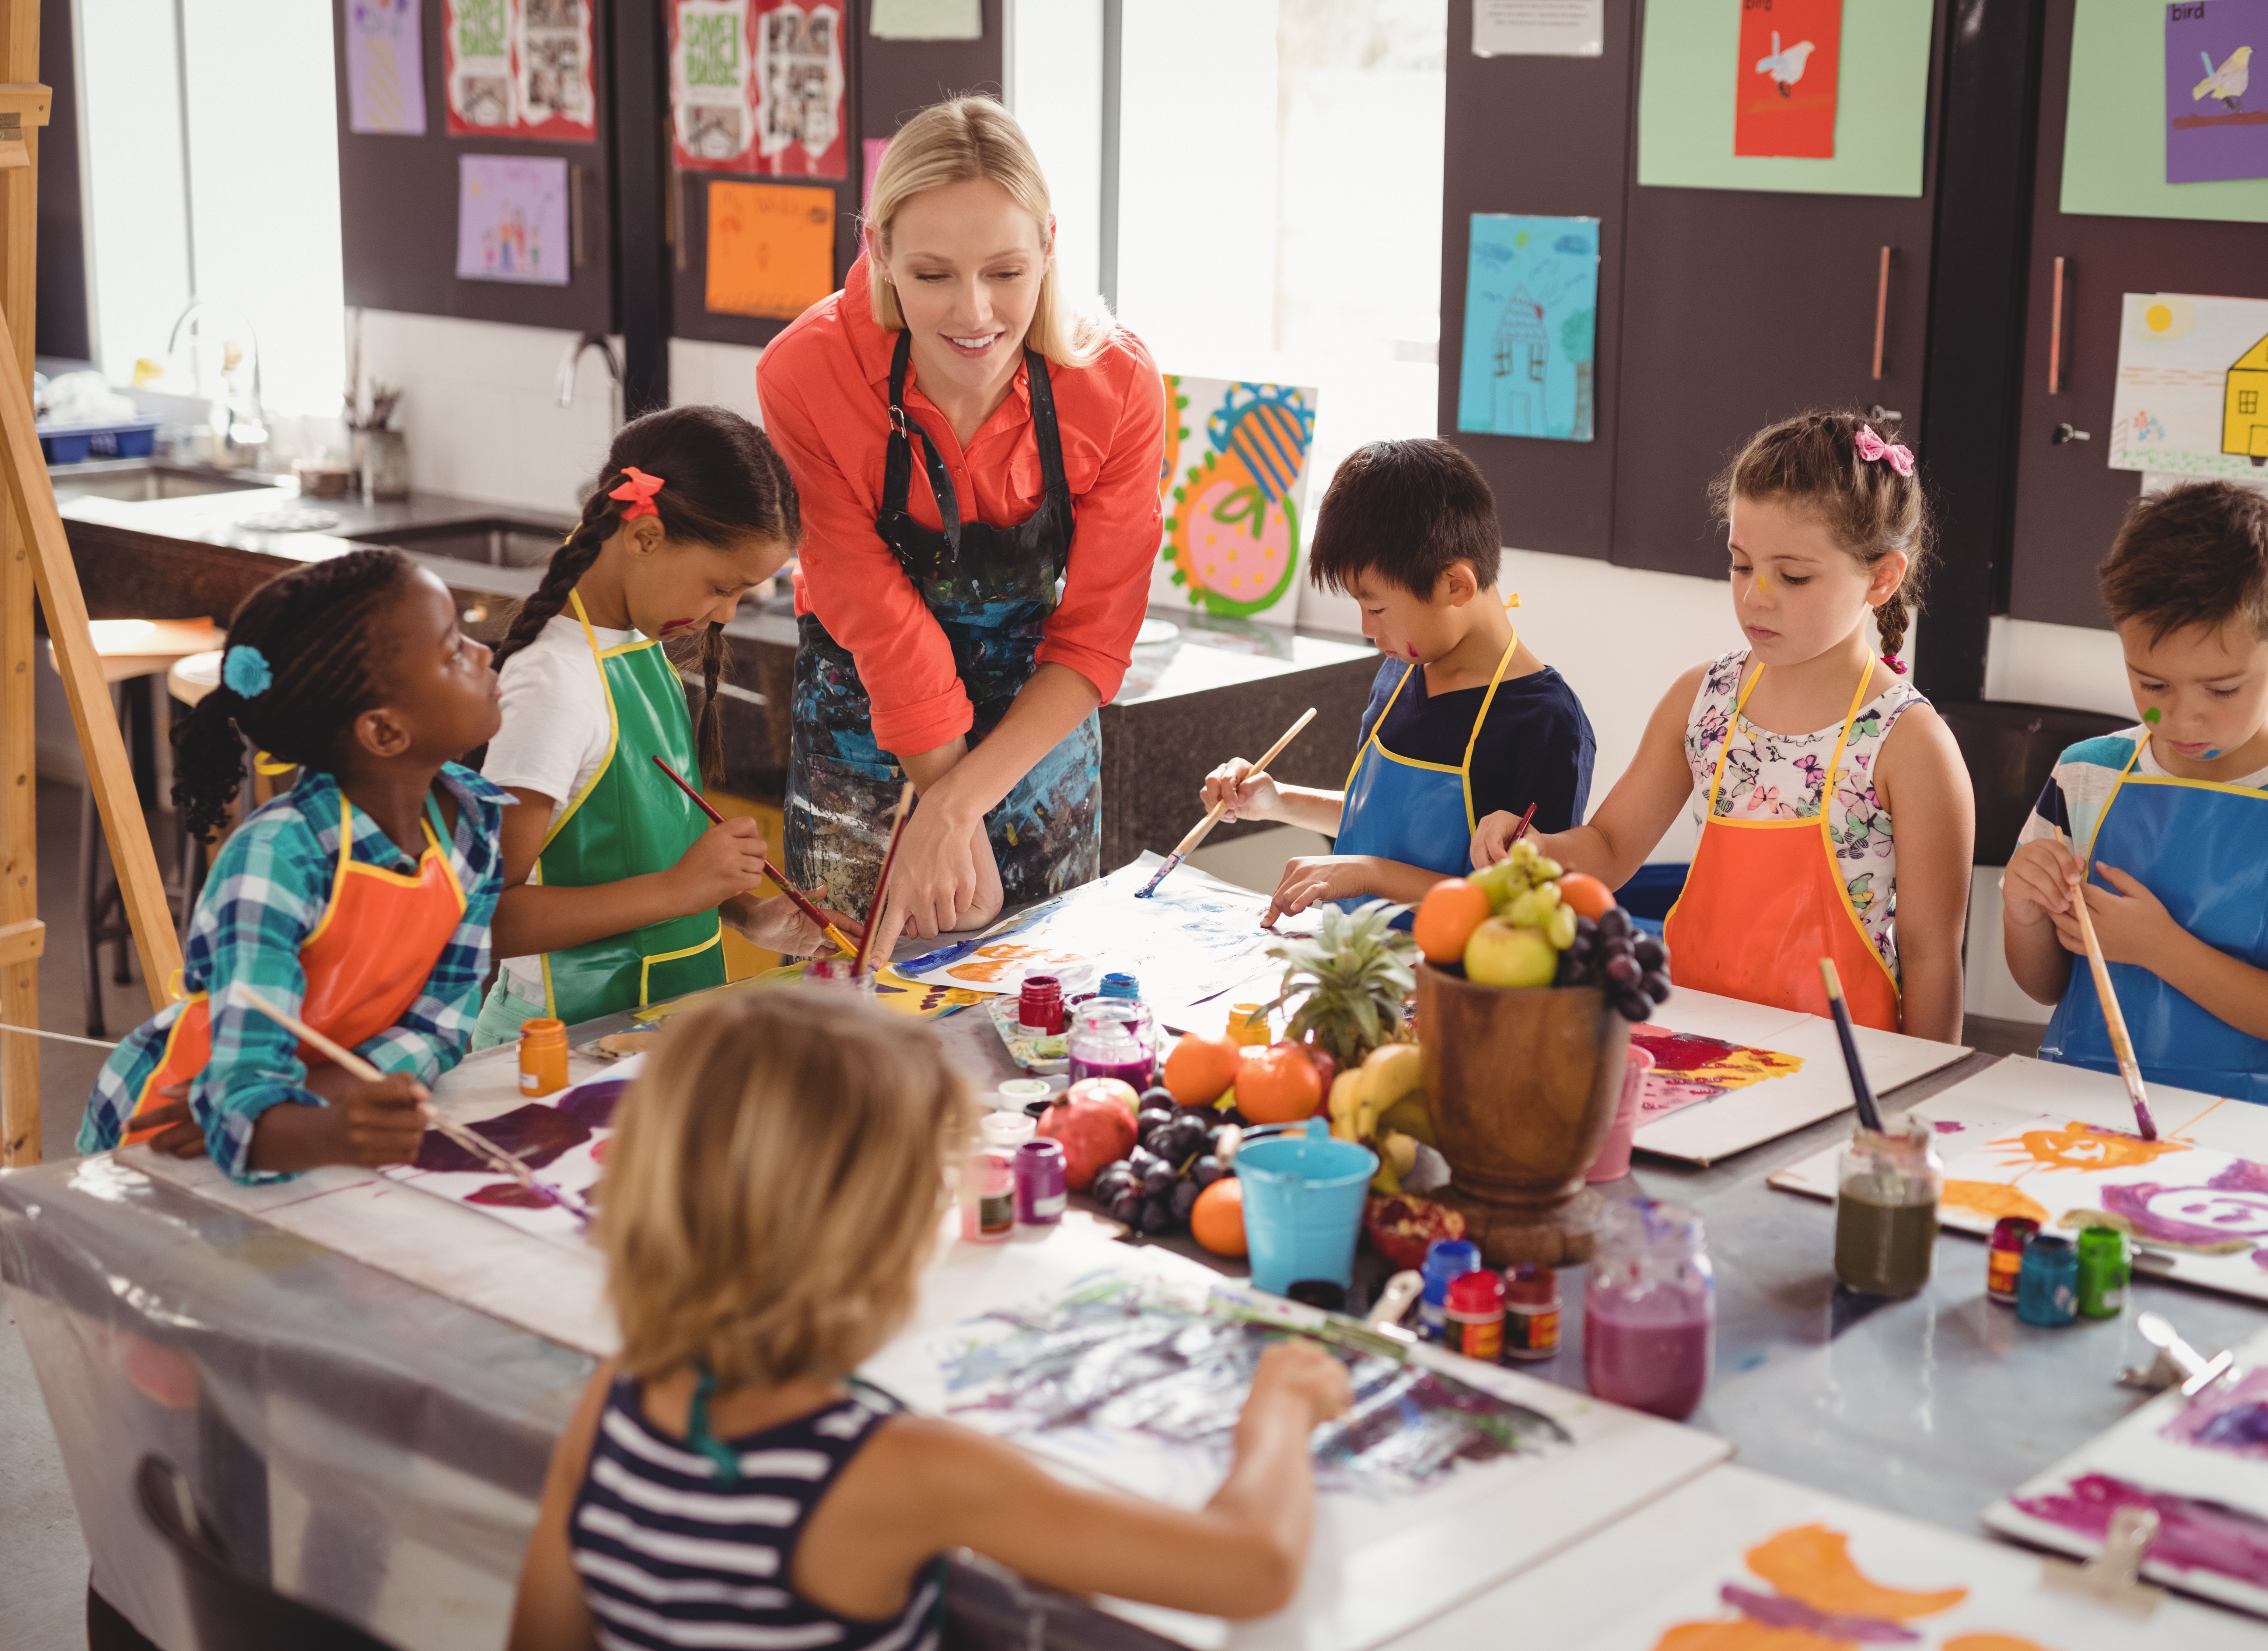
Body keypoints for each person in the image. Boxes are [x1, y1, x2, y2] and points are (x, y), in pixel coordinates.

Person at [504, 990, 1353, 1649]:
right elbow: (1253, 1567)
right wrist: (1277, 1404)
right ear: (878, 1239)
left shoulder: (619, 1397)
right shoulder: (897, 1468)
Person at [758, 95, 1166, 959]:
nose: (974, 313)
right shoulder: (808, 372)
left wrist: (958, 804)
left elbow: (1093, 640)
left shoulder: (1118, 383)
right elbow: (870, 605)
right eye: (934, 274)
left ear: (1050, 246)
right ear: (881, 253)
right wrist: (938, 795)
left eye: (1006, 272)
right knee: (858, 1029)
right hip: (866, 725)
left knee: (1033, 1013)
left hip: (1034, 739)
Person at [1472, 413, 1973, 1041]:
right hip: (1695, 1052)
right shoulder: (1702, 699)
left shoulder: (1912, 745)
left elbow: (1932, 960)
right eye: (1740, 565)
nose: (1756, 596)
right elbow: (1607, 850)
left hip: (1843, 1079)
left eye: (1792, 576)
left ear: (1882, 578)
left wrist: (1911, 1109)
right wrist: (1535, 848)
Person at [79, 549, 508, 1180]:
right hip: (166, 1140)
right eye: (453, 652)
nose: (485, 653)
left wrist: (318, 1112)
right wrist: (316, 1123)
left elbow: (439, 1026)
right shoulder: (278, 860)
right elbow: (235, 1099)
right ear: (384, 733)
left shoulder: (473, 828)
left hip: (300, 1133)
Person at [472, 406, 854, 1047]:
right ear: (645, 536)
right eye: (720, 586)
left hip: (650, 1033)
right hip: (553, 1051)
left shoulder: (639, 651)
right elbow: (485, 918)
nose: (726, 613)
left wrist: (746, 914)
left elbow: (643, 856)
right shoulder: (553, 684)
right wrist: (678, 891)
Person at [2004, 482, 2268, 1110]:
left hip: (2248, 1137)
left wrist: (2161, 949)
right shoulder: (2085, 775)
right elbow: (2046, 988)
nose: (2183, 721)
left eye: (2223, 690)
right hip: (2078, 1116)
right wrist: (2024, 912)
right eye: (2152, 682)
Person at [1199, 439, 1594, 922]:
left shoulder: (1546, 723)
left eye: (1378, 608)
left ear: (1456, 586)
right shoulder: (1401, 669)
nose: (1367, 629)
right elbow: (1380, 822)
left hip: (1453, 982)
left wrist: (1369, 874)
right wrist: (1278, 801)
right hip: (1354, 959)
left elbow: (1527, 907)